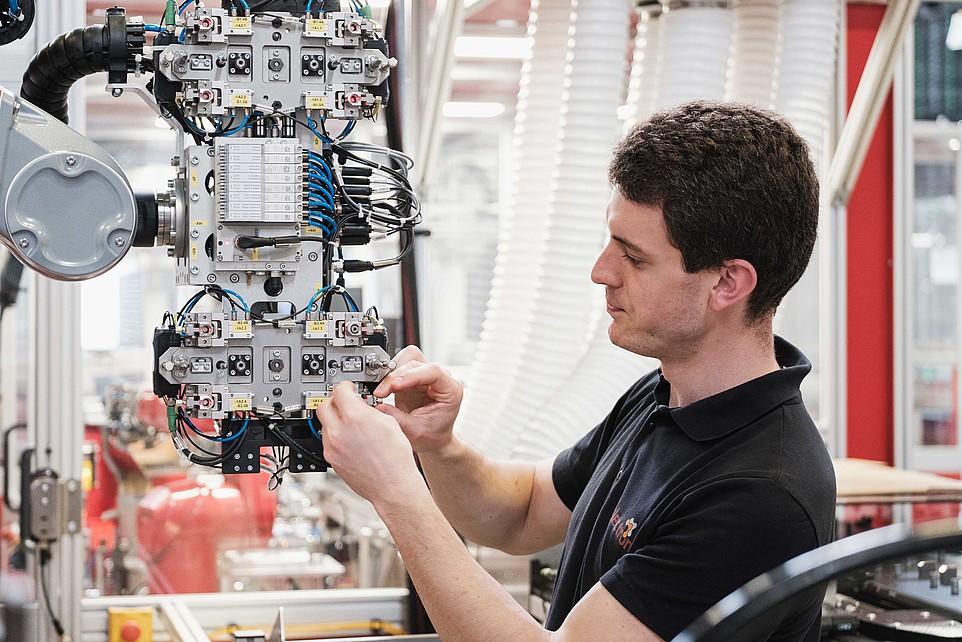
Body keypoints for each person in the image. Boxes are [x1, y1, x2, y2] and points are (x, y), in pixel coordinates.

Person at [316, 100, 837, 641]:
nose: (601, 271)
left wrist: (396, 492)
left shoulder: (759, 496)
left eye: (634, 258)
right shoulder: (665, 397)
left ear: (727, 283)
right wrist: (439, 447)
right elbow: (521, 512)